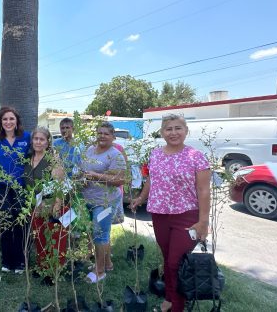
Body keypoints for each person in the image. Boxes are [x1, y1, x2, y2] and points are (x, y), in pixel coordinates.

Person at [130, 114, 211, 312]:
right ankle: (169, 297)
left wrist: (203, 222)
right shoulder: (155, 154)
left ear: (186, 131)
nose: (173, 133)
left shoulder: (196, 156)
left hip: (186, 216)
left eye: (178, 128)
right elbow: (151, 179)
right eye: (168, 129)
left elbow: (204, 190)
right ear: (162, 133)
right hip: (160, 214)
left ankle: (177, 305)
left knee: (176, 261)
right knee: (167, 258)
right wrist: (141, 198)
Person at [0, 106, 31, 274]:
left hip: (22, 187)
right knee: (5, 223)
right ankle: (7, 261)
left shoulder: (26, 137)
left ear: (17, 121)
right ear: (0, 122)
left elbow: (42, 149)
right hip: (3, 187)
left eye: (11, 119)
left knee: (21, 223)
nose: (8, 122)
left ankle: (20, 261)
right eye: (4, 119)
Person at [81, 122, 126, 283]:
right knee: (96, 233)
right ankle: (107, 263)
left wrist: (95, 175)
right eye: (99, 133)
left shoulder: (115, 155)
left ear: (113, 137)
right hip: (88, 199)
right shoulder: (90, 150)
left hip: (106, 202)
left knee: (100, 234)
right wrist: (83, 178)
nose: (102, 136)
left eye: (106, 134)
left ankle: (99, 271)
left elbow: (120, 179)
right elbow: (83, 170)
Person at [25, 127, 68, 286]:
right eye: (35, 138)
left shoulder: (53, 159)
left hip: (54, 205)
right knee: (40, 237)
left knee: (56, 240)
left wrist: (56, 205)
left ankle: (54, 272)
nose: (38, 142)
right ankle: (42, 266)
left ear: (48, 141)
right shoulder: (28, 157)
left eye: (41, 139)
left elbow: (61, 185)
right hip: (36, 206)